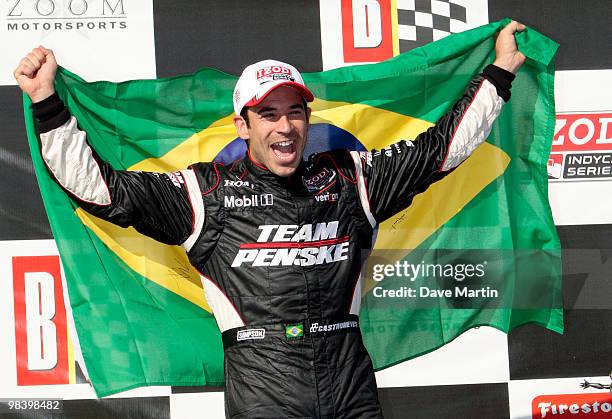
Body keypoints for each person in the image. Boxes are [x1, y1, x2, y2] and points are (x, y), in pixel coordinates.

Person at [14, 21, 526, 419]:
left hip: (350, 387)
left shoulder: (351, 179)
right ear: (243, 124)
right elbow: (101, 191)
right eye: (269, 114)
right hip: (264, 394)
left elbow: (440, 151)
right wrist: (46, 103)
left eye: (295, 112)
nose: (286, 126)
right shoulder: (205, 193)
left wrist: (499, 72)